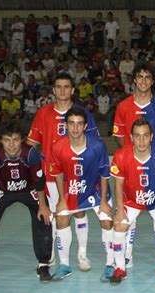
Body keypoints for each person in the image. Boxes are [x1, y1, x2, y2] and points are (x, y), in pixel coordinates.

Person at [27, 73, 99, 270]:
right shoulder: (42, 113)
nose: (62, 90)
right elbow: (31, 143)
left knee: (79, 213)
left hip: (77, 174)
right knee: (52, 214)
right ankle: (50, 254)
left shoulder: (83, 113)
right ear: (53, 90)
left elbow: (94, 144)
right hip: (50, 174)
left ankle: (82, 255)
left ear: (72, 90)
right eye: (58, 86)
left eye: (66, 87)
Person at [0, 122, 52, 284]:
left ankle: (43, 265)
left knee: (44, 218)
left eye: (15, 139)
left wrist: (43, 206)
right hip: (1, 189)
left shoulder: (31, 154)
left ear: (22, 140)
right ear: (1, 141)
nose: (12, 145)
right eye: (7, 140)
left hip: (28, 189)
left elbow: (39, 180)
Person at [112, 61, 155, 268]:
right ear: (134, 80)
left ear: (152, 82)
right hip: (130, 165)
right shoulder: (123, 106)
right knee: (130, 208)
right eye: (140, 77)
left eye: (148, 77)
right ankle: (126, 255)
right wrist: (129, 156)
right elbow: (120, 136)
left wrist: (154, 156)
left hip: (154, 165)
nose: (144, 81)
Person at [49, 108, 114, 281]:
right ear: (66, 125)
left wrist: (104, 201)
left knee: (107, 221)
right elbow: (57, 174)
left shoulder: (97, 145)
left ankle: (110, 264)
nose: (75, 128)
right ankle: (64, 265)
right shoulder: (57, 147)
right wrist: (62, 200)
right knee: (61, 218)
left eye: (79, 124)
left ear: (85, 126)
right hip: (71, 191)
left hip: (96, 191)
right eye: (71, 123)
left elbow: (105, 174)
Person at [109, 118, 155, 285]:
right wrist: (120, 209)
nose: (141, 140)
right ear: (131, 137)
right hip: (130, 200)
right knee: (119, 225)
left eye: (145, 136)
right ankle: (120, 268)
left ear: (152, 137)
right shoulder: (121, 155)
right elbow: (118, 185)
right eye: (137, 136)